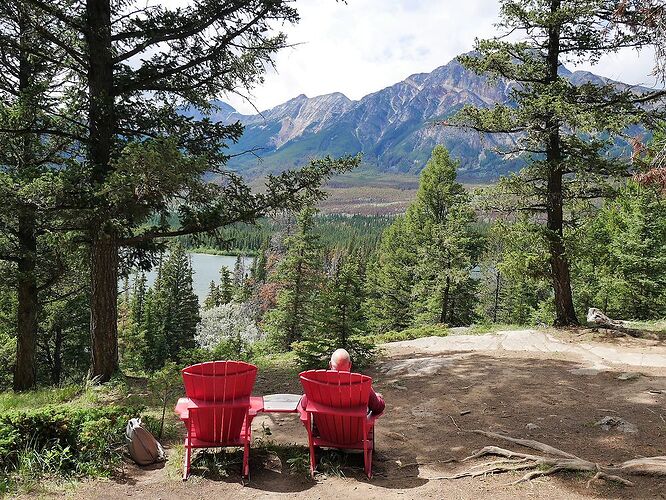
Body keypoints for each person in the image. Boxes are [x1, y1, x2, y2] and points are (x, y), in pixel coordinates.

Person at [302, 348, 385, 415]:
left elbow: (304, 404)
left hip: (324, 432)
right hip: (354, 433)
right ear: (350, 365)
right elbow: (378, 407)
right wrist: (377, 397)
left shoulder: (317, 384)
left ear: (330, 365)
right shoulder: (361, 385)